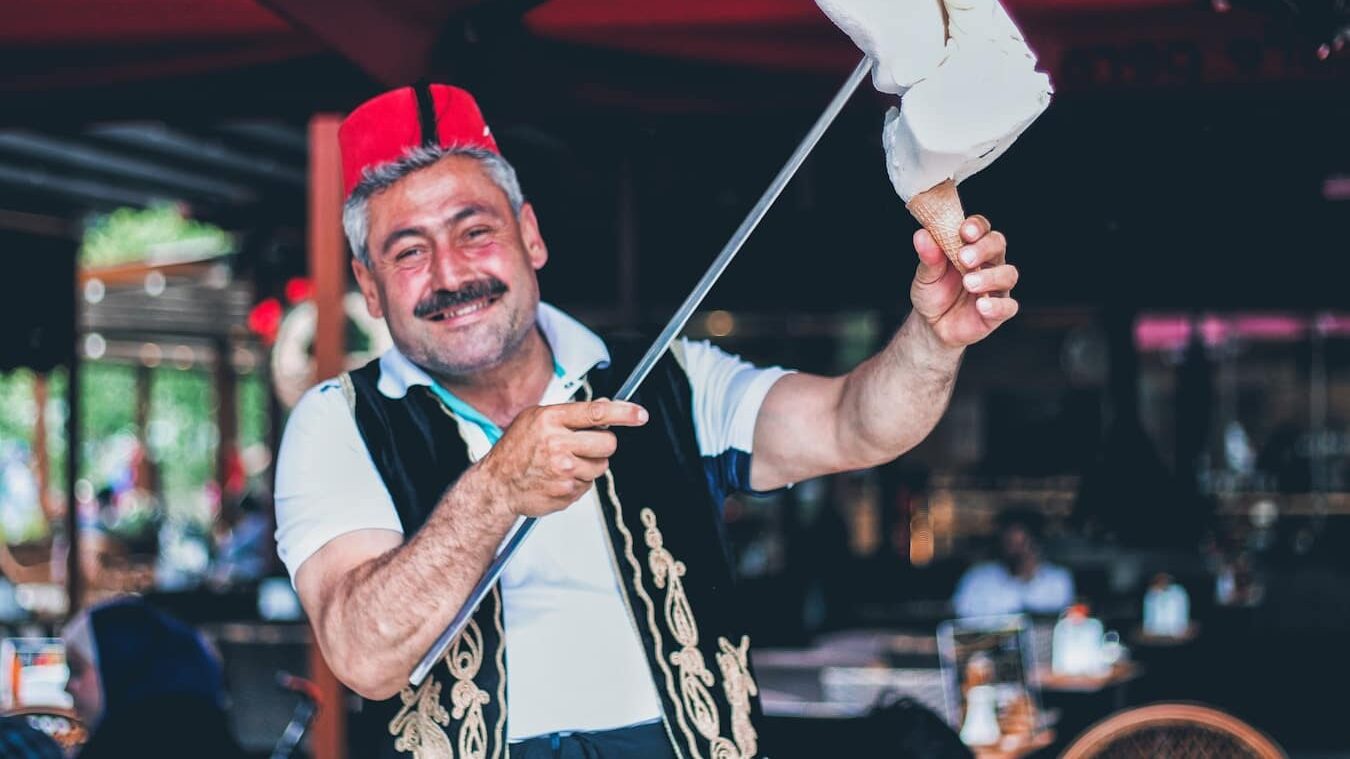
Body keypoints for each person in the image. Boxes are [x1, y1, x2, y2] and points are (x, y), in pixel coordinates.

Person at [274, 84, 1020, 758]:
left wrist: (933, 341)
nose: (451, 274)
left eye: (475, 232)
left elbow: (854, 424)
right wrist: (494, 489)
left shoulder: (673, 378)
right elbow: (363, 657)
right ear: (370, 286)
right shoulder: (338, 421)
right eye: (409, 251)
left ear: (531, 236)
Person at [61, 597, 244, 758]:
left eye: (77, 670)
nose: (68, 687)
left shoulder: (115, 747)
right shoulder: (214, 736)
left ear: (119, 667)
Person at [952, 508, 1074, 619]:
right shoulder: (977, 580)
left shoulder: (1058, 580)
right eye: (1009, 543)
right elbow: (960, 626)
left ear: (1037, 543)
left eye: (1021, 544)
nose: (1016, 552)